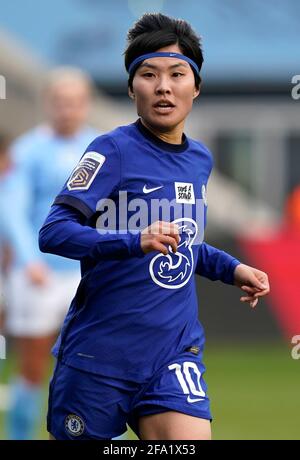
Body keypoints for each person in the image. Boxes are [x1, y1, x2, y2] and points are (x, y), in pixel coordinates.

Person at [39, 13, 270, 440]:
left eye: (177, 74)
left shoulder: (199, 159)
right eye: (149, 74)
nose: (163, 86)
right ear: (132, 88)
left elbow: (186, 242)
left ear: (195, 87)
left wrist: (233, 269)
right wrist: (133, 240)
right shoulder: (111, 150)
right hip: (98, 357)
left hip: (172, 355)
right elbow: (53, 232)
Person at [4, 68, 98, 439]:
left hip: (87, 272)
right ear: (48, 104)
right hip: (40, 273)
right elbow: (11, 207)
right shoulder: (28, 151)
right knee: (33, 363)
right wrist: (30, 260)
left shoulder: (101, 147)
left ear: (85, 105)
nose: (67, 110)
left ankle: (107, 437)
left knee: (97, 362)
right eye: (60, 102)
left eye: (74, 102)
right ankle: (19, 433)